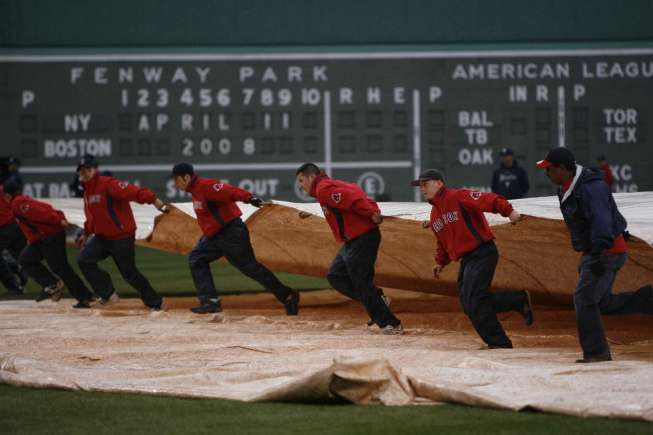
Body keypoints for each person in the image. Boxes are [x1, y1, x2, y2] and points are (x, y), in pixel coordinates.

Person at [537, 148, 653, 363]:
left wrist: (599, 254)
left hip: (606, 251)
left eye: (549, 169)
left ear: (562, 168)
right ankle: (647, 299)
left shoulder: (592, 188)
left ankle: (596, 353)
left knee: (584, 299)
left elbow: (602, 220)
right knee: (602, 303)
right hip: (596, 250)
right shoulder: (566, 188)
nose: (547, 174)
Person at [413, 169, 533, 348]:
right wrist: (440, 261)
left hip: (482, 252)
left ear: (439, 183)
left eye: (425, 184)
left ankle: (500, 343)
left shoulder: (457, 196)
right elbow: (443, 241)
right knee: (468, 304)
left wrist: (509, 211)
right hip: (468, 259)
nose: (422, 188)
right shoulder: (434, 215)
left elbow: (489, 199)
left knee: (475, 301)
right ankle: (517, 301)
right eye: (420, 185)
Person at [171, 162, 300, 315]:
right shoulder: (195, 191)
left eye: (176, 179)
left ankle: (288, 295)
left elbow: (230, 191)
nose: (175, 183)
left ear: (186, 177)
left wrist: (250, 198)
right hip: (216, 236)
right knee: (196, 258)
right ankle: (210, 302)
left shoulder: (206, 186)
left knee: (251, 268)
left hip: (231, 233)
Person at [295, 163, 403, 334]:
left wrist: (371, 213)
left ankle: (391, 323)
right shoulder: (327, 187)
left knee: (361, 283)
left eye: (301, 180)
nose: (300, 186)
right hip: (352, 241)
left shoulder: (323, 188)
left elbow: (353, 198)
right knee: (335, 275)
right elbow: (351, 193)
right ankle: (378, 300)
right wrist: (311, 211)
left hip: (362, 238)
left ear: (311, 177)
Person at [75, 155, 166, 310]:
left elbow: (132, 192)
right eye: (82, 170)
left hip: (121, 237)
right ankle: (108, 294)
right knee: (84, 260)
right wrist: (86, 232)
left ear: (95, 170)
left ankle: (155, 302)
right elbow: (92, 217)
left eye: (88, 169)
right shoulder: (87, 192)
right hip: (102, 238)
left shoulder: (108, 184)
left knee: (129, 274)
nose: (85, 173)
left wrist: (153, 199)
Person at [3, 181, 96, 307]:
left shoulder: (17, 203)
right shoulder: (21, 200)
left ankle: (85, 297)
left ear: (7, 195)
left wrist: (58, 220)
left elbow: (39, 213)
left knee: (60, 267)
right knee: (26, 259)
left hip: (51, 235)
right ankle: (52, 284)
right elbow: (44, 208)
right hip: (42, 238)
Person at [0, 183, 28, 294]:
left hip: (6, 226)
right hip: (14, 225)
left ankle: (14, 285)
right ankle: (16, 268)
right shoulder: (5, 188)